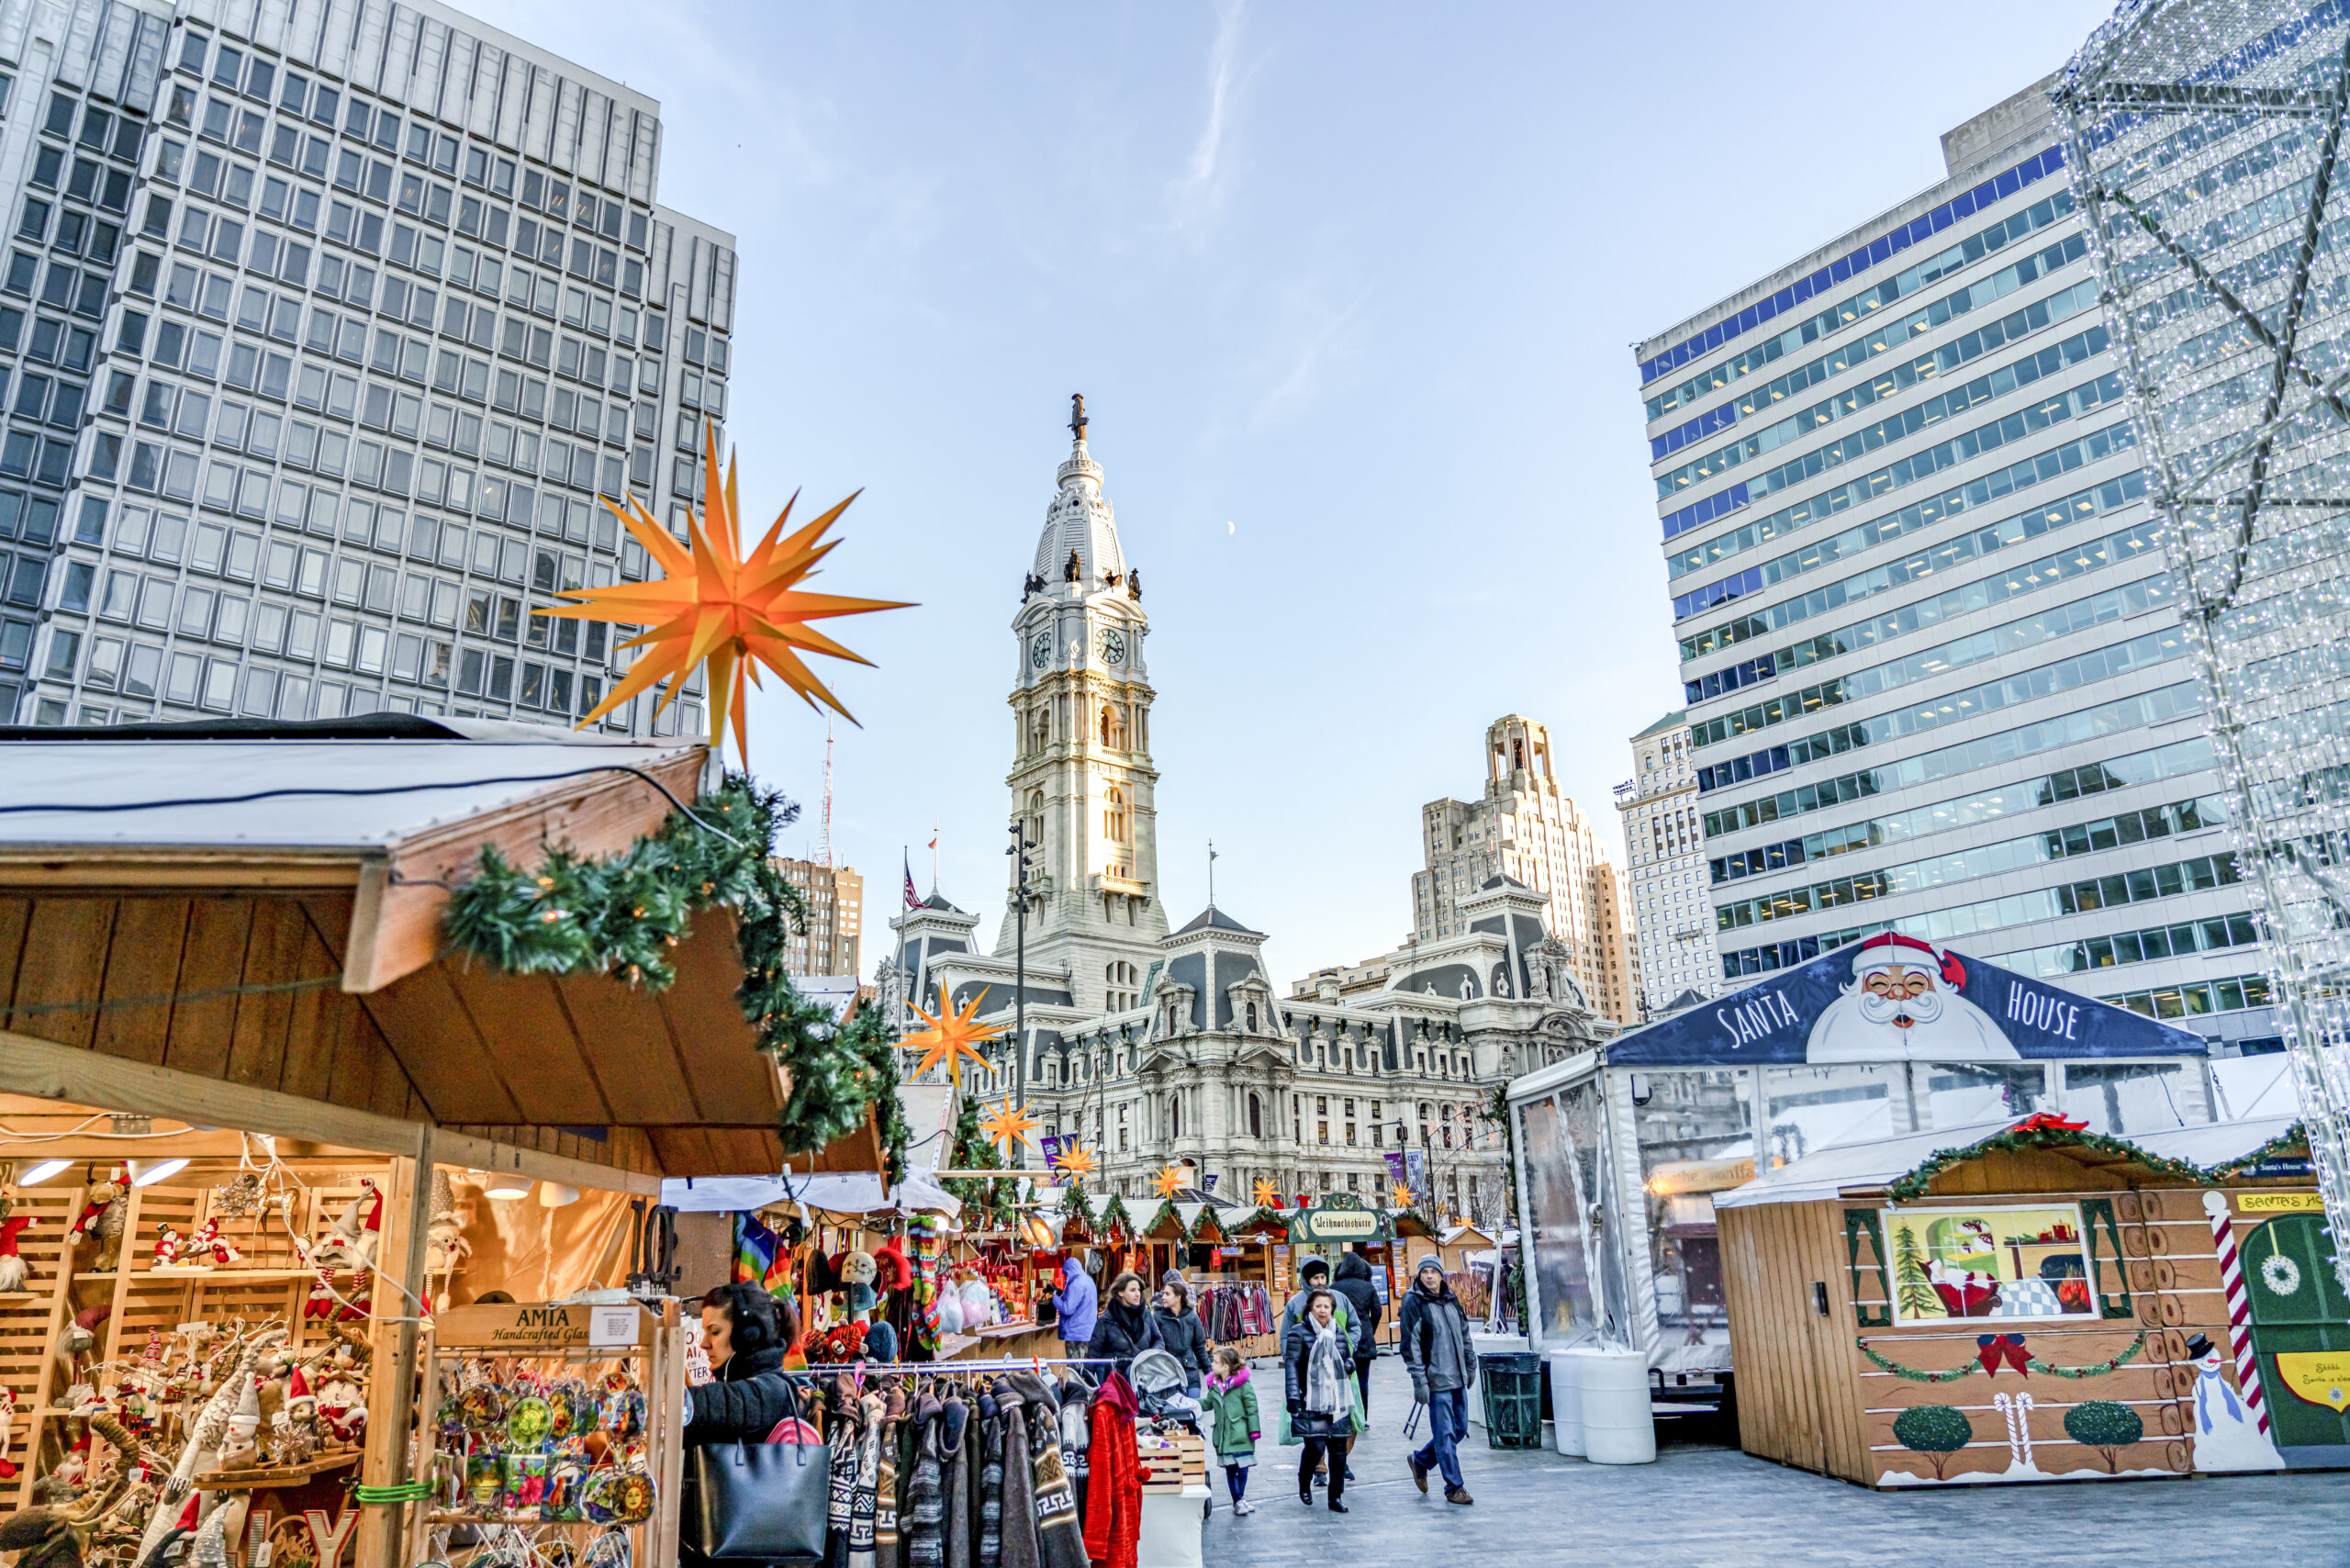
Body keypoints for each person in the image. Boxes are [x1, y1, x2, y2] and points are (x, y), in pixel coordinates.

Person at [683, 1282, 800, 1444]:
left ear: (746, 1337)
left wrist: (675, 1399)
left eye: (715, 1332)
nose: (703, 1343)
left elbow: (722, 1402)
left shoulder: (773, 1390)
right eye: (705, 1332)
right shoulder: (743, 1383)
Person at [1400, 1256, 1476, 1506]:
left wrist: (1471, 1364)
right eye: (1425, 1272)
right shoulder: (1415, 1302)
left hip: (1457, 1378)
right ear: (1419, 1276)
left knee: (1460, 1429)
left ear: (1442, 1275)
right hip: (1435, 1381)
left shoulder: (1451, 1299)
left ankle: (1421, 1461)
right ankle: (1455, 1487)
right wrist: (1419, 1381)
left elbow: (1465, 1335)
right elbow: (1410, 1346)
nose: (1430, 1276)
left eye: (1434, 1271)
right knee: (1444, 1435)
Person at [1275, 1257, 1356, 1484]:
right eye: (1315, 1277)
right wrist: (1291, 1359)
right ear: (1306, 1279)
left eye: (1323, 1277)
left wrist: (1350, 1349)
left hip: (1340, 1376)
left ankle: (1340, 1464)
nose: (1320, 1281)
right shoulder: (1295, 1304)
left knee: (1347, 1421)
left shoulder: (1340, 1298)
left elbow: (1353, 1327)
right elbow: (1287, 1337)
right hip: (1310, 1378)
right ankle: (1318, 1467)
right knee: (1315, 1429)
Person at [1281, 1289, 1353, 1513]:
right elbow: (1291, 1365)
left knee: (1339, 1452)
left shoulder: (1338, 1333)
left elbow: (1347, 1357)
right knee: (1315, 1447)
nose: (1323, 1310)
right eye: (1318, 1306)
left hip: (1337, 1399)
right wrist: (1293, 1396)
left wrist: (1349, 1365)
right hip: (1310, 1400)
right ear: (1310, 1309)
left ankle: (1335, 1497)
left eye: (1327, 1307)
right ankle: (1304, 1481)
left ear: (1332, 1310)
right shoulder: (1298, 1333)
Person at [1330, 1253, 1383, 1479]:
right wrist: (1369, 1327)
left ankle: (1342, 1413)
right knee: (1363, 1380)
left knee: (1343, 1380)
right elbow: (1378, 1311)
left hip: (1340, 1338)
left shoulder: (1334, 1287)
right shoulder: (1368, 1287)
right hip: (1364, 1339)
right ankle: (1362, 1417)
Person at [1201, 1345, 1260, 1516]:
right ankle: (1238, 1501)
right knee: (1230, 1469)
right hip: (1224, 1436)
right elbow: (1207, 1403)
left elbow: (1252, 1408)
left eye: (1216, 1362)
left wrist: (1254, 1430)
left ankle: (1240, 1499)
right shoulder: (1214, 1387)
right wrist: (1189, 1403)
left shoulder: (1243, 1386)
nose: (1212, 1365)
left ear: (1225, 1366)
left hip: (1241, 1435)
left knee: (1243, 1469)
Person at [1086, 1271, 1161, 1374]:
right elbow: (1093, 1355)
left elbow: (1158, 1340)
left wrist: (1150, 1358)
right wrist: (1089, 1382)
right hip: (1115, 1381)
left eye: (1139, 1290)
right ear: (1120, 1292)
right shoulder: (1106, 1321)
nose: (1137, 1294)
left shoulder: (1146, 1315)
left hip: (1143, 1378)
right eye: (1132, 1290)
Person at [1149, 1277, 1210, 1396]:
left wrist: (1210, 1376)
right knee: (1172, 1412)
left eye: (1167, 1294)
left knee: (1193, 1410)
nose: (1163, 1297)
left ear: (1178, 1297)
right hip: (1166, 1374)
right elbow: (1151, 1346)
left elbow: (1200, 1349)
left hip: (1190, 1373)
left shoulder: (1192, 1318)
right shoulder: (1157, 1317)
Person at [1053, 1257, 1098, 1361]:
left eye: (1066, 1273)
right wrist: (1060, 1293)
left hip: (1076, 1333)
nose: (1065, 1276)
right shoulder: (1088, 1280)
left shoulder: (1076, 1284)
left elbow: (1068, 1309)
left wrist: (1054, 1297)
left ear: (1070, 1270)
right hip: (1087, 1331)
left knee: (1075, 1369)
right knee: (1084, 1367)